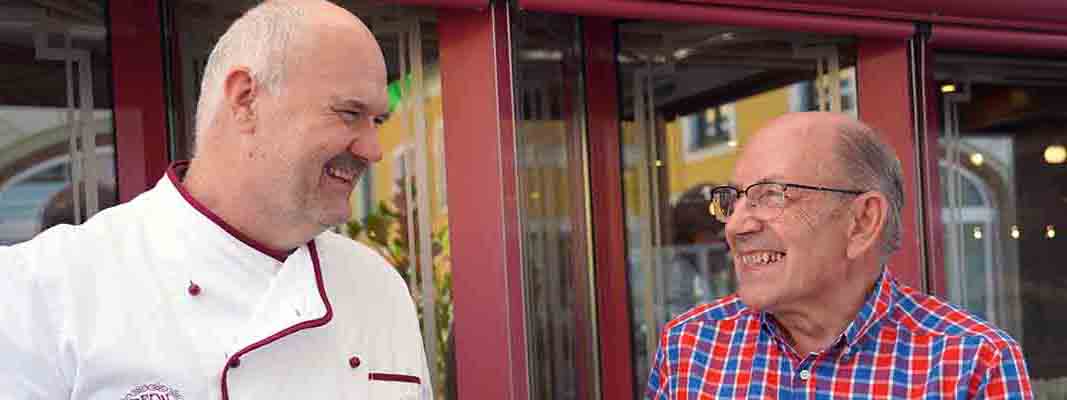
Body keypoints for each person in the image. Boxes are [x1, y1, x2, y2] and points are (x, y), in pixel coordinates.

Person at [0, 1, 432, 399]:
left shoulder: (378, 287)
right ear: (246, 100)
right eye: (349, 113)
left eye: (378, 120)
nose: (373, 149)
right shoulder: (41, 290)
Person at [646, 112, 1032, 399]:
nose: (735, 227)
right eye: (735, 200)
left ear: (862, 221)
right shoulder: (690, 345)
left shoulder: (971, 364)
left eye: (771, 195)